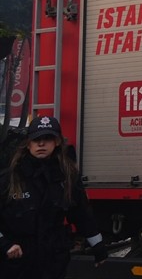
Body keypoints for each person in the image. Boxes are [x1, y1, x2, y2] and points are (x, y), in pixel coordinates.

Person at [0, 116, 106, 278]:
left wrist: (98, 246)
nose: (41, 144)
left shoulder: (67, 177)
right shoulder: (10, 178)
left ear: (56, 142)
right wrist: (4, 245)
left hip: (52, 261)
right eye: (36, 139)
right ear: (28, 143)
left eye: (47, 138)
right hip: (17, 263)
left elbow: (82, 214)